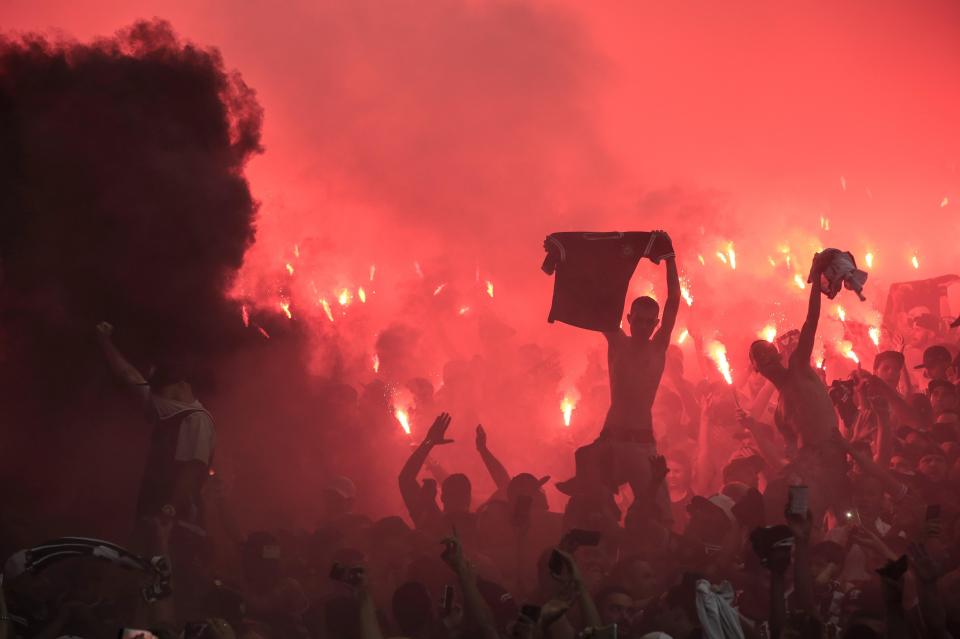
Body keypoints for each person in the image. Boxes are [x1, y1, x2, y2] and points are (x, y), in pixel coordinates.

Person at [558, 231, 680, 516]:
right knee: (590, 508)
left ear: (656, 323)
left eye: (650, 322)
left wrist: (670, 261)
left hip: (641, 443)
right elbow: (594, 301)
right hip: (611, 440)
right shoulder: (617, 343)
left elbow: (674, 300)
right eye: (638, 320)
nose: (643, 326)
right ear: (629, 319)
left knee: (659, 513)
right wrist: (565, 262)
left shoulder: (658, 348)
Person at [747, 253, 849, 519]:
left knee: (844, 518)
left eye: (767, 351)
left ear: (779, 354)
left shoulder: (799, 368)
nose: (764, 357)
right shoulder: (780, 413)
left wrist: (816, 282)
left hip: (833, 458)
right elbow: (791, 451)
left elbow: (810, 321)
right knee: (798, 518)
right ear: (755, 368)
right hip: (806, 470)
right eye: (758, 357)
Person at [95, 321, 216, 530]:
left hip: (179, 520)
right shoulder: (164, 408)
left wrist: (170, 508)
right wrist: (104, 340)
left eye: (163, 389)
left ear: (182, 386)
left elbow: (191, 469)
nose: (157, 394)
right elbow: (129, 376)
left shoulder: (197, 420)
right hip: (154, 510)